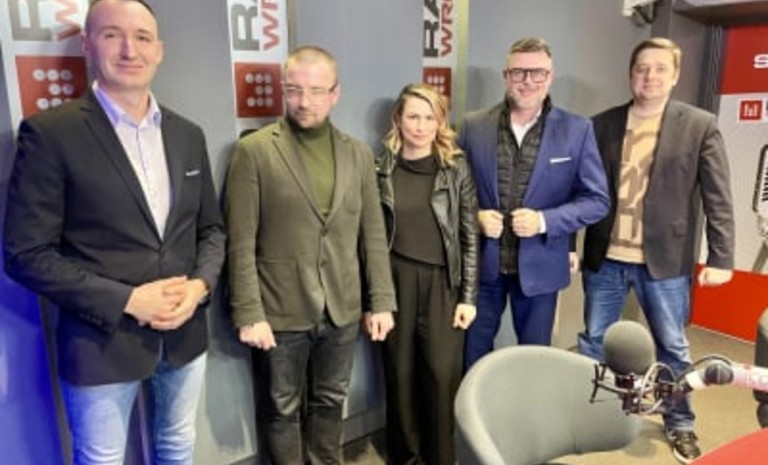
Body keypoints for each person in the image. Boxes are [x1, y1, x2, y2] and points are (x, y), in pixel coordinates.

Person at [2, 1, 226, 464]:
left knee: (178, 446)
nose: (129, 49)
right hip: (99, 339)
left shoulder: (188, 135)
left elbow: (212, 230)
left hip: (184, 332)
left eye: (142, 37)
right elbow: (26, 254)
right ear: (87, 45)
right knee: (101, 458)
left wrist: (200, 287)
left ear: (159, 50)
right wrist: (127, 300)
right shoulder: (51, 135)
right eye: (112, 35)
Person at [225, 45, 397, 465]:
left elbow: (373, 234)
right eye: (295, 90)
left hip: (341, 306)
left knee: (330, 401)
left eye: (317, 91)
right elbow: (240, 241)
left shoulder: (357, 154)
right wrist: (249, 312)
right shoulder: (255, 151)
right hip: (279, 307)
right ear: (283, 89)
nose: (305, 101)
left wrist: (381, 301)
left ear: (335, 93)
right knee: (281, 408)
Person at [578, 37, 735, 464]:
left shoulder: (699, 125)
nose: (650, 76)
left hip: (664, 262)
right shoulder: (601, 125)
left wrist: (721, 257)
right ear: (631, 73)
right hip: (605, 257)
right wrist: (570, 246)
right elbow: (581, 190)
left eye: (660, 68)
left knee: (672, 348)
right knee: (595, 343)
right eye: (642, 68)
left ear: (676, 75)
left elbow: (718, 197)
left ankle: (679, 421)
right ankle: (596, 416)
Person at [458, 37, 610, 368]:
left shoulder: (577, 130)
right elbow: (453, 191)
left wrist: (544, 221)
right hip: (483, 268)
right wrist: (476, 217)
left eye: (537, 73)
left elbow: (597, 201)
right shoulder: (473, 126)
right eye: (519, 72)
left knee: (534, 361)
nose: (527, 81)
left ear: (550, 76)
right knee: (471, 356)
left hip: (541, 267)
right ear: (506, 76)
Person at [373, 83, 478, 465]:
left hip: (442, 285)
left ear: (440, 122)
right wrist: (374, 298)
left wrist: (468, 297)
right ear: (398, 120)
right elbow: (370, 237)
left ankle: (441, 458)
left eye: (429, 117)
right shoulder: (380, 169)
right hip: (394, 283)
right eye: (413, 117)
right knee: (399, 377)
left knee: (440, 377)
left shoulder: (456, 167)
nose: (420, 126)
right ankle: (405, 458)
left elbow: (469, 233)